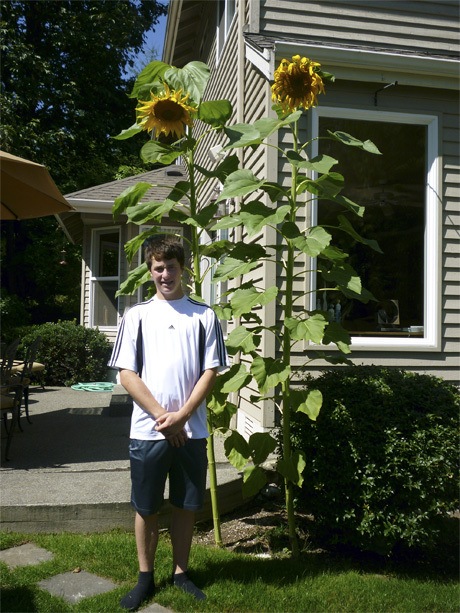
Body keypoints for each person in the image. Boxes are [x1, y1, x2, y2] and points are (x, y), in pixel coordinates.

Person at [108, 236, 228, 611]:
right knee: (146, 507)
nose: (165, 274)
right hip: (149, 431)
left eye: (171, 267)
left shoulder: (204, 315)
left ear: (183, 269)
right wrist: (166, 419)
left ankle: (180, 572)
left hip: (191, 429)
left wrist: (184, 417)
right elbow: (127, 374)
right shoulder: (136, 316)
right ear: (150, 271)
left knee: (185, 505)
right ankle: (145, 578)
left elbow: (211, 372)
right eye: (158, 268)